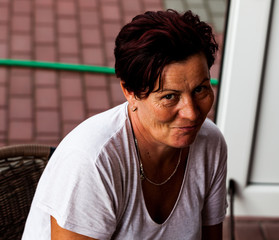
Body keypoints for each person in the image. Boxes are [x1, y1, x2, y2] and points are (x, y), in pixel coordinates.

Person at [22, 9, 227, 240]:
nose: (191, 114)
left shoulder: (210, 142)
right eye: (169, 96)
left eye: (200, 89)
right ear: (130, 92)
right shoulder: (92, 163)